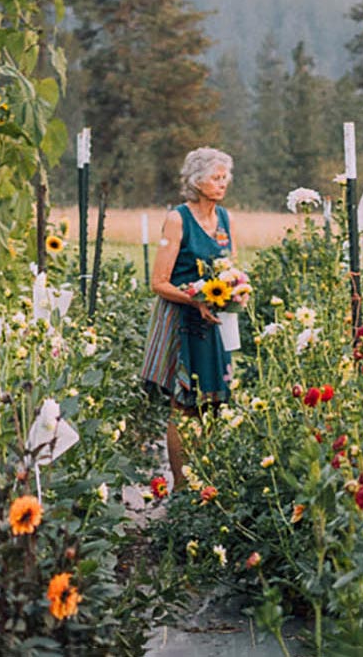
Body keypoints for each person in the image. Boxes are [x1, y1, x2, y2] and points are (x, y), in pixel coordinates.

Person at [139, 146, 235, 485]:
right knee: (183, 406)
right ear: (196, 181)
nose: (222, 183)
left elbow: (230, 268)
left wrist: (236, 289)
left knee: (214, 403)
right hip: (183, 321)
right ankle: (181, 487)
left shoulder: (225, 219)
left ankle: (207, 482)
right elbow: (158, 282)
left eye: (225, 177)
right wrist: (195, 301)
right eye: (215, 177)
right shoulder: (178, 219)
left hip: (215, 324)